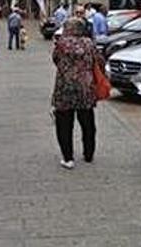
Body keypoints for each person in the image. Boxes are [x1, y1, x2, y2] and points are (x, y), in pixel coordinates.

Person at [51, 18, 103, 169]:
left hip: (64, 88)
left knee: (64, 124)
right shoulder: (89, 43)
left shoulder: (61, 44)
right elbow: (99, 61)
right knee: (87, 122)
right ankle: (88, 154)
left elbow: (55, 59)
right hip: (85, 88)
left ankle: (68, 158)